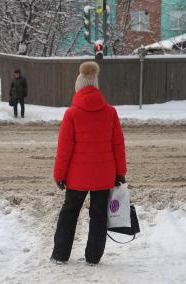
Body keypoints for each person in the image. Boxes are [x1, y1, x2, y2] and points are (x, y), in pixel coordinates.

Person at [51, 61, 127, 266]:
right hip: (104, 176)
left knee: (69, 214)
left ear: (78, 87)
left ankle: (60, 255)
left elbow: (64, 149)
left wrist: (59, 175)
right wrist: (120, 172)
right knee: (99, 216)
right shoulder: (110, 112)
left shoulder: (72, 113)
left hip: (77, 177)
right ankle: (93, 257)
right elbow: (118, 145)